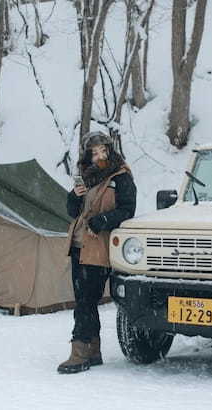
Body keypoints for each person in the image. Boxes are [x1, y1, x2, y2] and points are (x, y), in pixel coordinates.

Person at [57, 131, 136, 374]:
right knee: (85, 300)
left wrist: (102, 220)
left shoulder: (121, 177)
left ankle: (79, 352)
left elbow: (127, 210)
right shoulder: (86, 177)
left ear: (110, 150)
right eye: (94, 151)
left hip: (100, 246)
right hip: (80, 245)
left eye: (103, 149)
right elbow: (73, 212)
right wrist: (74, 196)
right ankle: (93, 350)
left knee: (85, 301)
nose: (99, 155)